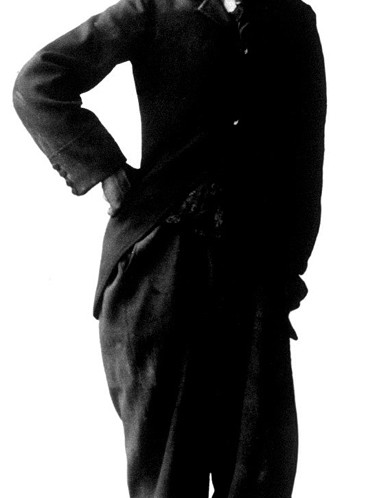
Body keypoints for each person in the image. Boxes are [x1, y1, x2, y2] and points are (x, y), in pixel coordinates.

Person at [13, 0, 326, 496]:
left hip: (255, 279)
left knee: (262, 471)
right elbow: (39, 82)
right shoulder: (155, 8)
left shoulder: (290, 20)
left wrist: (288, 270)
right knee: (168, 478)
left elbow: (306, 157)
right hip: (160, 273)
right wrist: (103, 168)